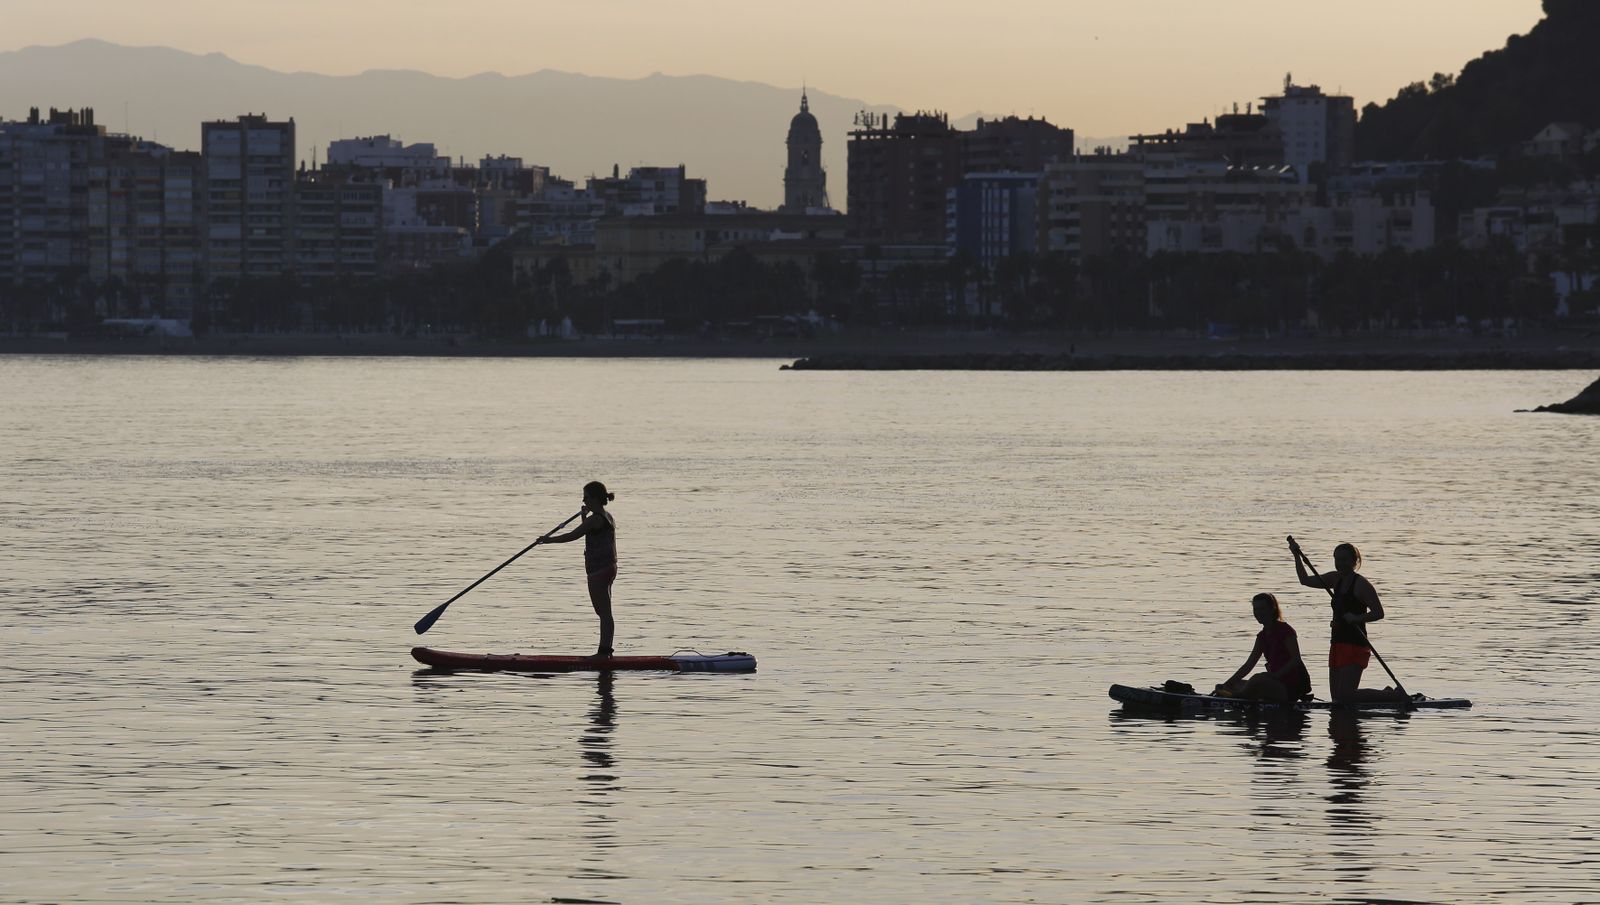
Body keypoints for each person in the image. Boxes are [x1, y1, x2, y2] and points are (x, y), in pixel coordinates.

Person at [1289, 539, 1407, 703]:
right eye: (1337, 559)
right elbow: (1305, 580)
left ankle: (1393, 696)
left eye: (1344, 559)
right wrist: (1296, 556)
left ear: (1354, 561)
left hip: (1356, 643)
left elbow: (1379, 613)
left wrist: (1357, 618)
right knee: (1337, 698)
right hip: (1337, 642)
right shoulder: (1334, 579)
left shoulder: (1361, 584)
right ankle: (1384, 695)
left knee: (1346, 696)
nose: (1340, 563)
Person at [538, 481, 618, 658]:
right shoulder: (606, 516)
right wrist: (584, 517)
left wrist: (548, 540)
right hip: (609, 567)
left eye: (586, 497)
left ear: (596, 498)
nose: (583, 500)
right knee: (605, 612)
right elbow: (590, 530)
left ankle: (604, 653)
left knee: (603, 613)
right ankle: (606, 651)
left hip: (599, 571)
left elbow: (572, 535)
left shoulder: (595, 519)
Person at [1214, 593, 1313, 704]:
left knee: (1258, 679)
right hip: (1275, 683)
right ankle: (1231, 694)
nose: (1258, 613)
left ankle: (1237, 697)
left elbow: (1296, 659)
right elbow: (1248, 665)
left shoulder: (1286, 630)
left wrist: (1275, 676)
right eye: (1255, 609)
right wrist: (1226, 684)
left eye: (1262, 609)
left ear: (1272, 609)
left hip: (1290, 688)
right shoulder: (1262, 636)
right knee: (1236, 683)